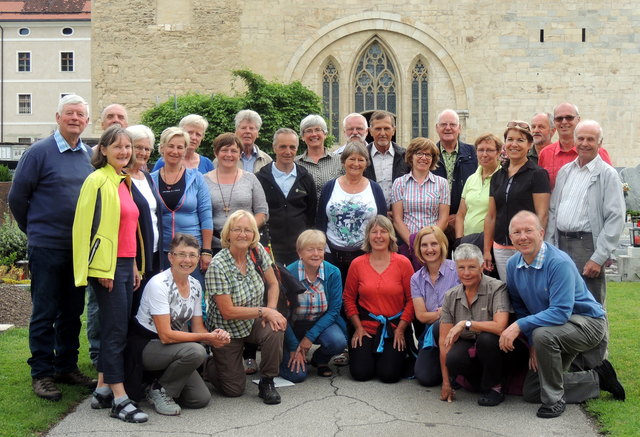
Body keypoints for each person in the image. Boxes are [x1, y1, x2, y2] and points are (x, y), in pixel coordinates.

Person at [9, 94, 96, 401]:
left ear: (87, 121)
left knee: (73, 312)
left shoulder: (90, 155)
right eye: (69, 113)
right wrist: (33, 230)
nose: (75, 118)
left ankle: (66, 366)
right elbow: (17, 199)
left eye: (80, 115)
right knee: (45, 311)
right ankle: (42, 373)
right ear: (58, 118)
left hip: (78, 250)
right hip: (47, 246)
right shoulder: (38, 153)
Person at [500, 211, 625, 419]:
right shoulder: (513, 265)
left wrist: (520, 326)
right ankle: (596, 378)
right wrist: (532, 343)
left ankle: (554, 401)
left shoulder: (558, 263)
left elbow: (560, 312)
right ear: (511, 237)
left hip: (588, 324)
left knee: (543, 336)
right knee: (531, 391)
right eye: (517, 232)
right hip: (552, 330)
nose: (523, 237)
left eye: (528, 230)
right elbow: (520, 306)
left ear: (541, 233)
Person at [72, 126, 148, 423]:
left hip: (125, 264)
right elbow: (84, 229)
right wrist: (99, 269)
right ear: (102, 149)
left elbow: (125, 230)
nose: (124, 151)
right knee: (115, 332)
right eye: (117, 146)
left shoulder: (122, 180)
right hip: (107, 268)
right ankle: (120, 398)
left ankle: (103, 388)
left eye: (127, 147)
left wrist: (133, 266)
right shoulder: (97, 180)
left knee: (117, 329)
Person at [546, 120, 625, 370]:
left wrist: (599, 257)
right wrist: (551, 247)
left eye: (591, 139)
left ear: (600, 143)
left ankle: (595, 366)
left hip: (587, 246)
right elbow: (554, 210)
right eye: (581, 138)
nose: (584, 143)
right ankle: (573, 364)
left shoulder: (607, 174)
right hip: (562, 245)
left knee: (592, 306)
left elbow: (615, 217)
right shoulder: (566, 171)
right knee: (564, 303)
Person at [133, 233, 230, 415]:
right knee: (196, 351)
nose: (187, 260)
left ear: (198, 258)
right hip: (147, 345)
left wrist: (215, 336)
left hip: (175, 347)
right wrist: (205, 338)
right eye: (181, 254)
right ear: (171, 257)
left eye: (193, 255)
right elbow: (166, 335)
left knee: (199, 399)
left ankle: (156, 384)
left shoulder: (195, 285)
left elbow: (199, 327)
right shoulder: (159, 284)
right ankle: (159, 390)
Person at [204, 210, 287, 404]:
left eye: (248, 230)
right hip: (227, 330)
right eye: (237, 230)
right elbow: (228, 311)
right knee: (233, 390)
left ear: (254, 234)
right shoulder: (218, 265)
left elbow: (273, 284)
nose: (243, 234)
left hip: (253, 321)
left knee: (275, 328)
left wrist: (271, 311)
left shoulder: (257, 250)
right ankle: (210, 364)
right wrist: (263, 311)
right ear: (228, 234)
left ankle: (267, 381)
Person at [343, 215, 415, 383]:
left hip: (394, 327)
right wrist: (358, 328)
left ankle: (397, 357)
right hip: (366, 327)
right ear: (368, 236)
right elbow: (348, 298)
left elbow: (412, 300)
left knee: (388, 376)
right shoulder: (357, 264)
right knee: (361, 374)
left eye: (383, 231)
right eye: (374, 232)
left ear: (390, 235)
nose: (378, 236)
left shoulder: (403, 263)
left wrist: (401, 329)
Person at [439, 244, 512, 407]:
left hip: (496, 346)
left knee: (486, 340)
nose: (466, 273)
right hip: (470, 343)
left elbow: (500, 327)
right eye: (461, 268)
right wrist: (446, 383)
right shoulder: (450, 296)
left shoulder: (497, 287)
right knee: (453, 358)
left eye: (472, 267)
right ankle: (480, 383)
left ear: (481, 267)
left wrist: (466, 323)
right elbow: (444, 341)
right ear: (456, 269)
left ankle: (496, 387)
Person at [483, 121, 550, 281]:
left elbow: (542, 214)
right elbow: (491, 215)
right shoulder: (498, 176)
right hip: (501, 247)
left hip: (527, 246)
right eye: (510, 139)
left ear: (529, 144)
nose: (514, 144)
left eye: (520, 140)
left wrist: (536, 246)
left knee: (528, 292)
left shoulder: (537, 174)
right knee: (508, 293)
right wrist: (487, 250)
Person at [279, 230, 347, 382]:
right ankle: (281, 359)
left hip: (321, 322)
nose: (316, 254)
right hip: (293, 326)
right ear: (299, 252)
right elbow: (282, 314)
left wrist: (309, 338)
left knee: (338, 342)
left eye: (320, 249)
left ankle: (320, 360)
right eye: (310, 249)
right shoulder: (288, 273)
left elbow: (334, 311)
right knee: (297, 376)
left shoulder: (333, 272)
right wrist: (293, 345)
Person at [151, 127, 213, 290]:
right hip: (162, 252)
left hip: (190, 252)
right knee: (163, 297)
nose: (175, 151)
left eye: (180, 147)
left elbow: (206, 215)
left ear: (185, 150)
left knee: (192, 298)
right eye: (171, 146)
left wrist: (206, 251)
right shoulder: (150, 180)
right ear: (162, 148)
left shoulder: (196, 178)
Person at [316, 141, 387, 282]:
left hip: (365, 255)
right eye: (352, 159)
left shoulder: (374, 189)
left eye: (361, 160)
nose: (356, 164)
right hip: (331, 254)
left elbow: (383, 222)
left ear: (366, 163)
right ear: (343, 161)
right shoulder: (330, 187)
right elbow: (320, 221)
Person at [256, 128, 317, 265]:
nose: (288, 152)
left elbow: (311, 214)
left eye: (292, 147)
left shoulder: (306, 178)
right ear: (274, 148)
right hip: (269, 247)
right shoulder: (260, 178)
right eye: (283, 146)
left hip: (299, 248)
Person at [125, 125, 166, 315]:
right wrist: (133, 261)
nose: (143, 152)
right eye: (138, 147)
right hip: (134, 256)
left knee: (147, 308)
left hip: (154, 253)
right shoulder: (120, 178)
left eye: (147, 149)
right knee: (132, 307)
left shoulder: (147, 177)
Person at [205, 132, 268, 254]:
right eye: (224, 150)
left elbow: (262, 212)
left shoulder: (251, 179)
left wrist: (243, 232)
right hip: (215, 246)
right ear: (216, 153)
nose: (229, 155)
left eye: (234, 151)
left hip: (246, 245)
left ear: (240, 154)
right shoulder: (203, 181)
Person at [411, 226, 459, 387]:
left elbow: (461, 310)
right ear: (419, 248)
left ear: (442, 246)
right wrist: (445, 312)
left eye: (434, 244)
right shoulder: (416, 279)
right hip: (431, 334)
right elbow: (421, 316)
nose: (429, 249)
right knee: (426, 378)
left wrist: (442, 315)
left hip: (457, 333)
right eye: (424, 245)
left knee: (441, 324)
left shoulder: (457, 270)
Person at [391, 137, 449, 249]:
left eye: (428, 155)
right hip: (408, 244)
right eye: (419, 153)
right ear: (411, 156)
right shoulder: (399, 183)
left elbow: (444, 219)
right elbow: (397, 219)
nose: (424, 158)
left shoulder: (442, 183)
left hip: (434, 244)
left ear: (433, 159)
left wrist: (430, 243)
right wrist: (413, 244)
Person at [538, 103, 612, 188]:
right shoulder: (545, 153)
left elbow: (609, 184)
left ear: (578, 119)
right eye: (559, 118)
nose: (564, 122)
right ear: (554, 122)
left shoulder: (598, 153)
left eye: (569, 118)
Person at [432, 109, 478, 241]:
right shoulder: (429, 154)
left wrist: (459, 216)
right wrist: (444, 218)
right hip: (436, 224)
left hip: (466, 222)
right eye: (443, 125)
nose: (448, 128)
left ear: (460, 128)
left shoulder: (473, 154)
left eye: (452, 125)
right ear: (437, 128)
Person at [454, 133, 502, 250]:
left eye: (489, 150)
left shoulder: (503, 178)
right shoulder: (471, 179)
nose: (484, 154)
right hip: (467, 242)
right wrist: (460, 240)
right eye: (480, 150)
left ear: (498, 152)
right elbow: (461, 214)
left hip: (490, 242)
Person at [363, 110, 408, 208]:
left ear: (393, 131)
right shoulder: (362, 157)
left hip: (399, 217)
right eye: (378, 129)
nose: (382, 133)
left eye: (386, 128)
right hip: (372, 218)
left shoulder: (406, 156)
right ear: (370, 131)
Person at [295, 114, 343, 199]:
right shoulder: (295, 164)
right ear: (302, 137)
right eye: (309, 131)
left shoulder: (340, 161)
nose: (314, 134)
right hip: (304, 211)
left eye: (317, 130)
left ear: (325, 134)